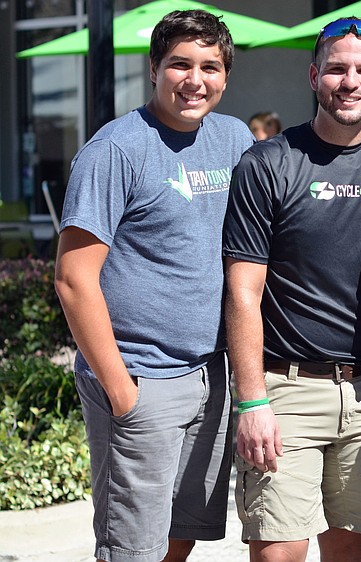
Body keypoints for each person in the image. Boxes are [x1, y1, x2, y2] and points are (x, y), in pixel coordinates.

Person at [53, 10, 254, 562]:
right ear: (154, 69)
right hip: (141, 376)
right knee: (132, 549)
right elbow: (73, 279)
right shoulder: (117, 149)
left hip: (211, 373)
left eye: (210, 67)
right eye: (179, 64)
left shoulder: (234, 139)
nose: (195, 80)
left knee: (181, 533)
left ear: (225, 75)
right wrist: (122, 390)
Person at [222, 17, 361, 562]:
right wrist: (251, 400)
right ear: (313, 75)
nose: (351, 82)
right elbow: (243, 293)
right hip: (286, 389)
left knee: (348, 552)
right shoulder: (268, 163)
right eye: (337, 69)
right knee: (278, 552)